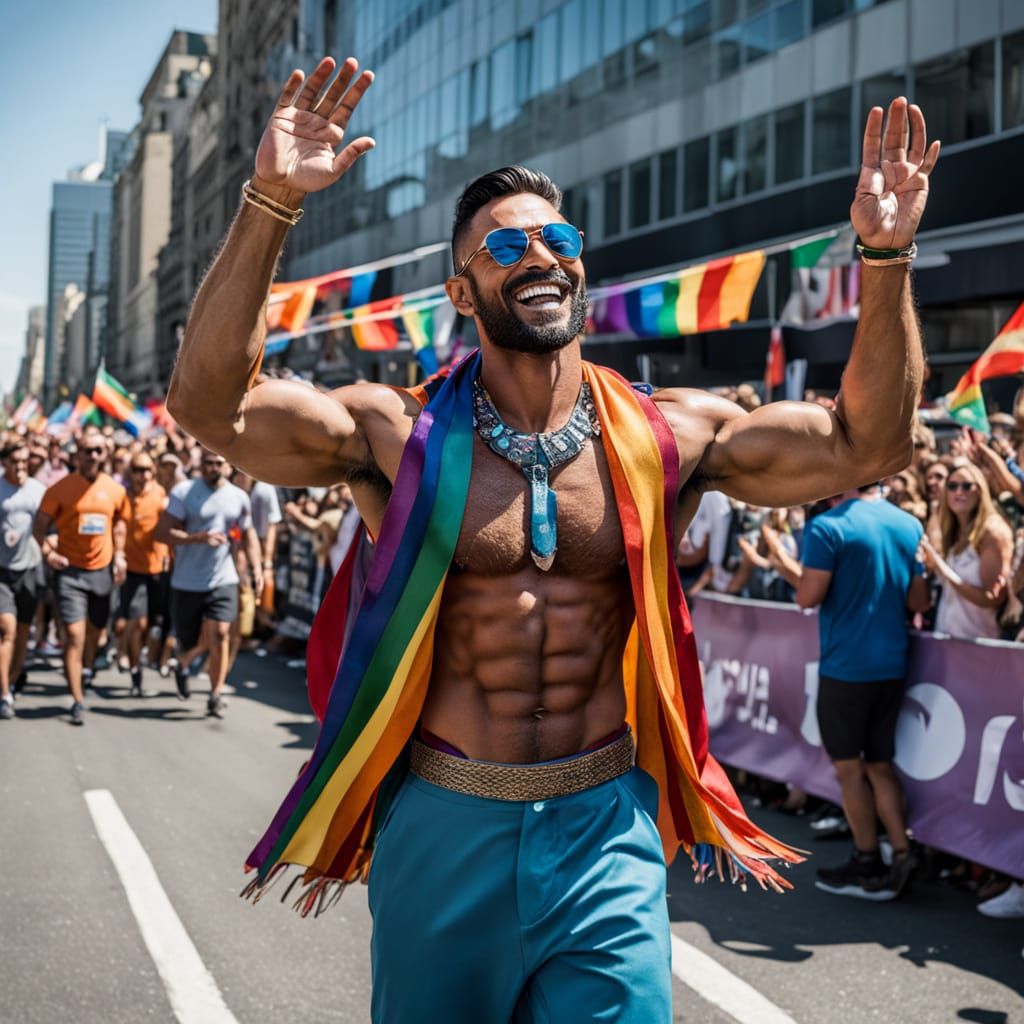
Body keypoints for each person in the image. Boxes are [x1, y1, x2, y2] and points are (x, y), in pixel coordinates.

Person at [168, 54, 938, 1021]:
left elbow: (872, 441)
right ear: (459, 295)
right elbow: (209, 409)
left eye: (557, 237)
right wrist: (272, 201)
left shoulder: (673, 435)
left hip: (605, 823)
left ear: (580, 261)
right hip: (445, 821)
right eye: (503, 249)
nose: (539, 256)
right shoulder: (395, 434)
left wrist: (886, 258)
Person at [765, 484, 930, 900]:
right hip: (893, 664)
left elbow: (807, 597)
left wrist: (780, 559)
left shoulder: (828, 526)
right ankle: (903, 851)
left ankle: (867, 859)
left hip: (846, 668)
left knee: (849, 770)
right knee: (880, 764)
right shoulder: (908, 523)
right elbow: (919, 600)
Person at [33, 428, 130, 726]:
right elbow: (39, 527)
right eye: (87, 450)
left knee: (95, 634)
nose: (93, 456)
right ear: (77, 454)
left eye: (98, 451)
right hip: (70, 572)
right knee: (74, 636)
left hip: (101, 571)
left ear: (106, 455)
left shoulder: (115, 490)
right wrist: (49, 553)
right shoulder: (59, 489)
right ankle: (77, 699)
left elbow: (120, 524)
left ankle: (86, 669)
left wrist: (120, 555)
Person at [157, 448, 263, 717]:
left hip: (223, 577)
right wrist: (197, 538)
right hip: (187, 581)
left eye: (219, 463)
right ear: (201, 466)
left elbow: (249, 534)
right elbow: (162, 532)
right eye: (209, 463)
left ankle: (215, 694)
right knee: (190, 640)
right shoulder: (183, 493)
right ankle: (183, 663)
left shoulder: (239, 497)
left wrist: (259, 568)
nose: (214, 467)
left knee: (221, 634)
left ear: (229, 467)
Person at [919, 458, 1013, 640]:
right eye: (952, 486)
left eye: (966, 486)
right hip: (948, 640)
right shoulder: (953, 531)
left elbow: (992, 598)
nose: (959, 492)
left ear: (980, 490)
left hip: (981, 646)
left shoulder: (992, 531)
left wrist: (942, 568)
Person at [115, 452, 169, 697]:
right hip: (132, 569)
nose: (143, 475)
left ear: (154, 471)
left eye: (147, 469)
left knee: (152, 626)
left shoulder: (160, 495)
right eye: (137, 470)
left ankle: (133, 653)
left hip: (157, 569)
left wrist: (169, 553)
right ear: (130, 472)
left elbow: (170, 526)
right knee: (138, 622)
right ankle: (136, 672)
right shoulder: (121, 496)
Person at [0, 442, 45, 719]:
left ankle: (13, 681)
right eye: (15, 460)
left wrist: (51, 550)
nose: (20, 466)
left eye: (25, 461)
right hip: (1, 571)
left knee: (23, 635)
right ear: (4, 462)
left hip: (29, 570)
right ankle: (4, 693)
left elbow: (47, 529)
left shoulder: (39, 491)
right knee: (7, 628)